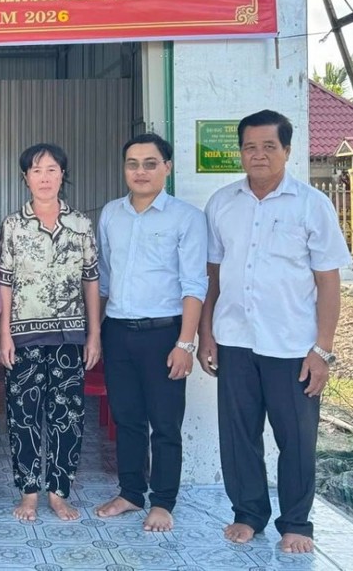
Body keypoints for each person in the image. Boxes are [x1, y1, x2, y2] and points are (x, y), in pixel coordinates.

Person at [198, 109, 350, 554]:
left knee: (296, 439)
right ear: (240, 152)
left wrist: (322, 350)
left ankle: (296, 523)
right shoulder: (222, 203)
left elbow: (328, 281)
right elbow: (212, 277)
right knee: (239, 435)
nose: (258, 155)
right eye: (250, 147)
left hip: (292, 345)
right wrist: (207, 335)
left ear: (287, 150)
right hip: (235, 339)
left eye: (269, 146)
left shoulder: (311, 205)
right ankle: (247, 514)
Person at [93, 133, 208, 531]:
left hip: (165, 334)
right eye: (133, 164)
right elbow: (104, 279)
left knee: (165, 423)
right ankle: (130, 493)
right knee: (126, 419)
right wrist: (97, 333)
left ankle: (163, 501)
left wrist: (185, 343)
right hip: (118, 331)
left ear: (167, 168)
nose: (140, 171)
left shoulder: (186, 218)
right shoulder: (111, 214)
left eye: (150, 163)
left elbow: (195, 284)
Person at [0, 143, 100, 522]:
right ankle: (28, 493)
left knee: (67, 416)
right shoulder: (13, 225)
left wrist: (94, 334)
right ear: (25, 178)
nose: (44, 177)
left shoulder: (81, 225)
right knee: (23, 416)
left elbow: (91, 280)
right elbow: (3, 283)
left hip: (69, 337)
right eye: (36, 170)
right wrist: (4, 334)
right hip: (23, 337)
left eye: (52, 169)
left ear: (62, 175)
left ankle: (59, 492)